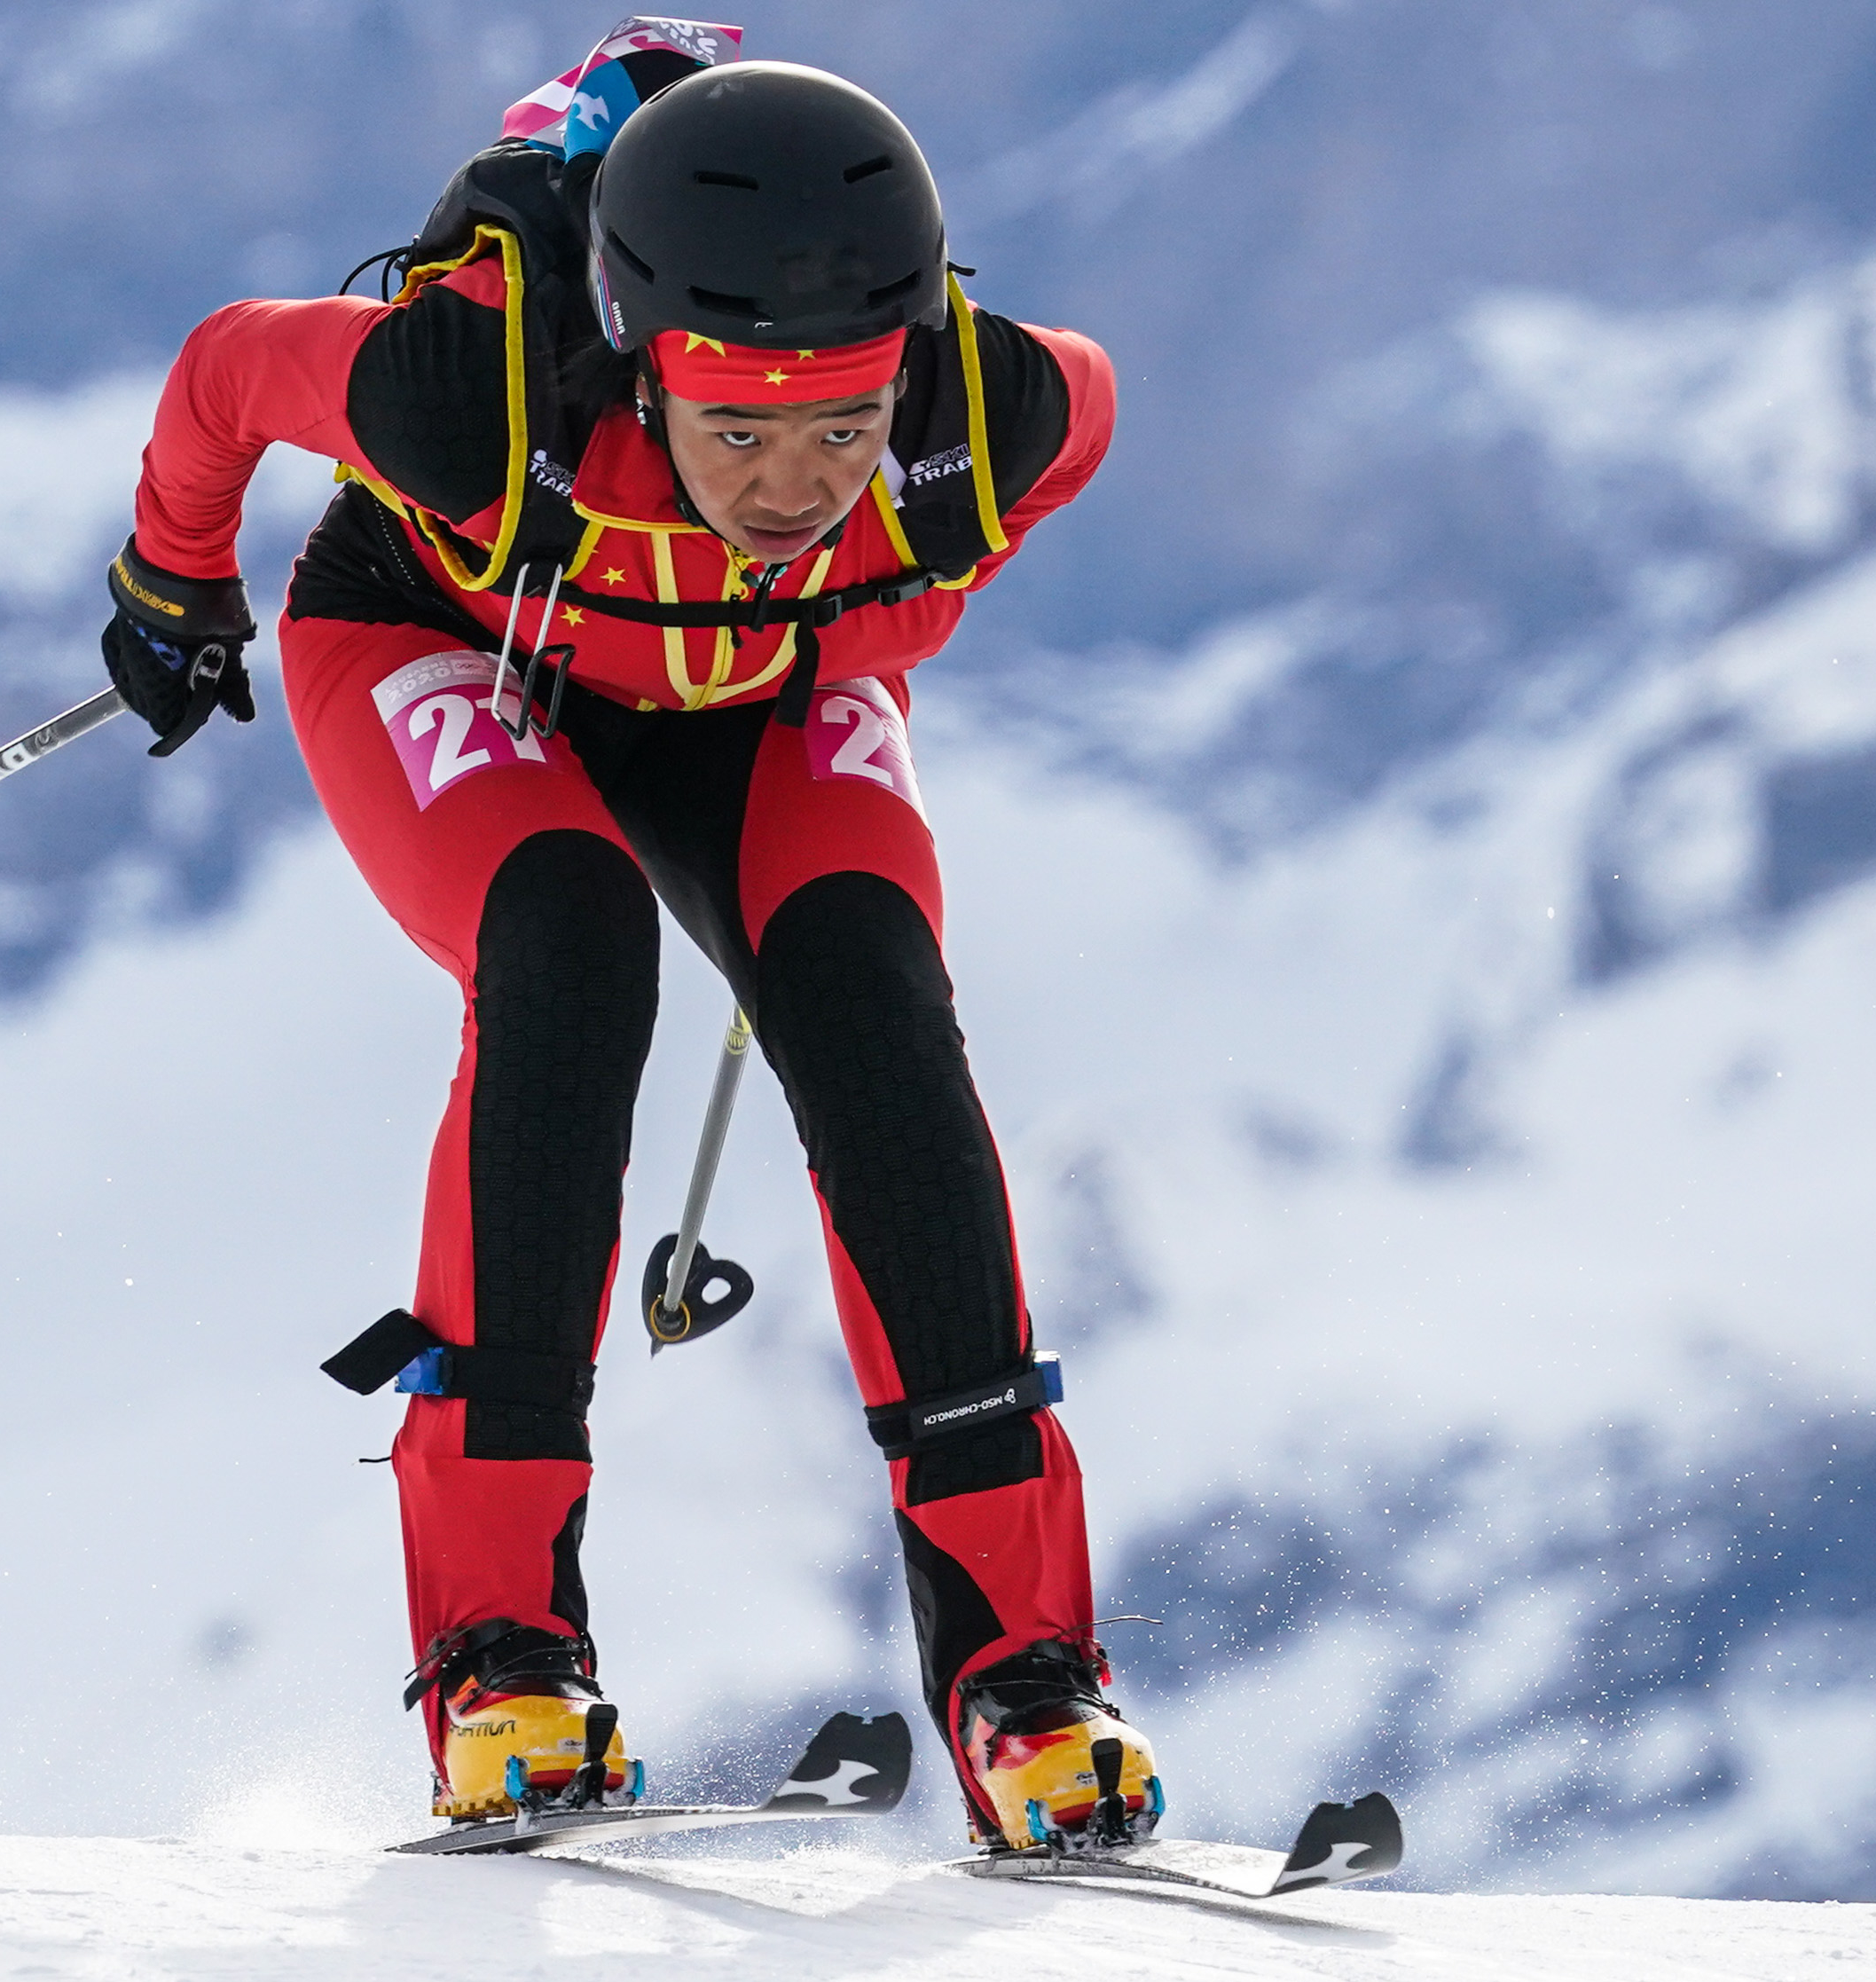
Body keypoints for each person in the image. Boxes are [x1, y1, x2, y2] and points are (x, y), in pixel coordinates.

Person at [96, 24, 1155, 1851]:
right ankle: (501, 1660)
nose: (795, 482)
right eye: (738, 426)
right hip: (450, 637)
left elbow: (1092, 407)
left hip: (755, 687)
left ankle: (1027, 1686)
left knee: (875, 1009)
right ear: (642, 358)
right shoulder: (465, 394)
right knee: (572, 948)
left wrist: (866, 629)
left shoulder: (979, 402)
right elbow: (222, 376)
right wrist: (173, 583)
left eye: (842, 424)